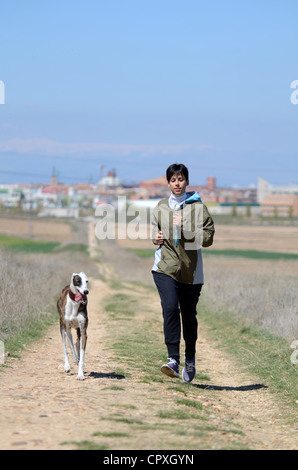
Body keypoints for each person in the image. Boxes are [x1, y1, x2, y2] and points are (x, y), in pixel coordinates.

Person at [151, 163, 215, 383]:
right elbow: (155, 230)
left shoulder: (198, 208)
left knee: (188, 316)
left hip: (191, 272)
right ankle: (173, 360)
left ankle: (190, 358)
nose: (177, 183)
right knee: (170, 308)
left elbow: (208, 238)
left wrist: (186, 231)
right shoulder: (160, 206)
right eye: (173, 180)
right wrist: (156, 237)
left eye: (180, 179)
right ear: (168, 183)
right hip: (164, 267)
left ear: (187, 181)